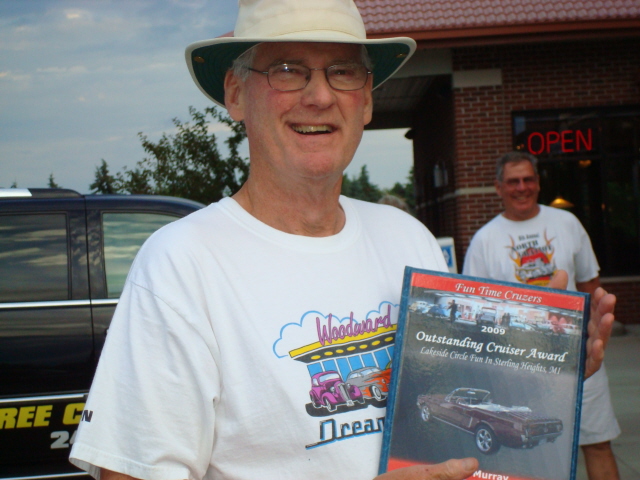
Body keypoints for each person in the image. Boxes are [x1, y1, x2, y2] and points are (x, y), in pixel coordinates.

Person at [69, 2, 615, 479]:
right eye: (287, 70)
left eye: (343, 71)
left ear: (368, 101)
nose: (320, 96)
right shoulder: (181, 264)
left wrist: (544, 370)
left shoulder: (407, 237)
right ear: (236, 95)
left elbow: (459, 387)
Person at [463, 151, 621, 480]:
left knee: (597, 443)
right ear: (498, 187)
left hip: (578, 359)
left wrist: (593, 336)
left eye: (528, 179)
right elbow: (475, 311)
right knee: (537, 454)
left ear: (538, 182)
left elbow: (592, 286)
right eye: (513, 181)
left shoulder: (566, 223)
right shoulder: (485, 240)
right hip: (520, 364)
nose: (522, 187)